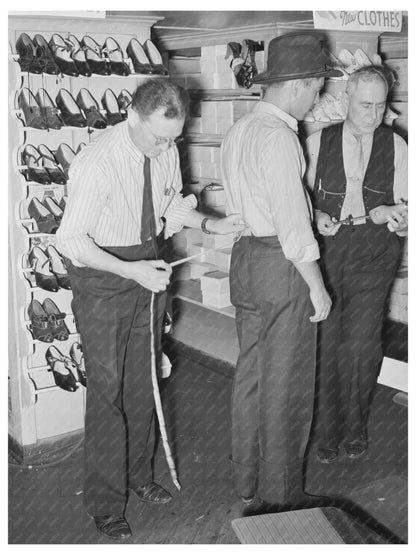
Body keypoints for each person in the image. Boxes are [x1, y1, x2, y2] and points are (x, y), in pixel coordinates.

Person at [56, 79, 245, 539]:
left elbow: (170, 207)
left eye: (173, 138)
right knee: (107, 389)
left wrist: (209, 224)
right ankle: (104, 501)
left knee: (144, 381)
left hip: (147, 264)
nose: (165, 147)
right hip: (102, 279)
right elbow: (70, 240)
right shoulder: (98, 161)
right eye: (158, 137)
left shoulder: (164, 148)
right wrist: (132, 272)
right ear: (132, 115)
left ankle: (140, 477)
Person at [220, 32, 340, 512]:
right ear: (298, 85)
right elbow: (291, 228)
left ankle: (247, 480)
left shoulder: (241, 130)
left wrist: (311, 216)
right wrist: (318, 287)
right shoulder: (281, 137)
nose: (317, 99)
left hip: (246, 260)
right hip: (280, 266)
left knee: (251, 373)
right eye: (316, 89)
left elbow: (264, 204)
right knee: (287, 384)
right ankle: (283, 495)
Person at [305, 65, 408, 464]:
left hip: (374, 251)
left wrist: (395, 215)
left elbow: (407, 205)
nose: (373, 114)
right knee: (327, 342)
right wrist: (316, 218)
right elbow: (299, 200)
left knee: (363, 345)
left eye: (381, 106)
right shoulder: (317, 142)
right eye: (365, 104)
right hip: (327, 250)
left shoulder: (396, 145)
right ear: (347, 97)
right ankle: (327, 431)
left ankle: (355, 427)